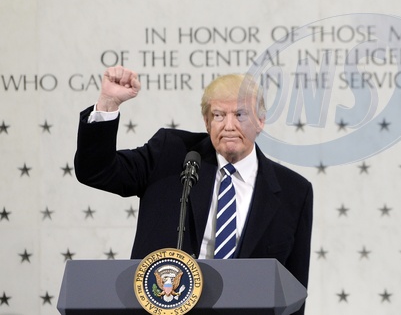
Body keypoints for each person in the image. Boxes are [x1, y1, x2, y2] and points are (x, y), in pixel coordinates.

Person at [74, 66, 313, 312]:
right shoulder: (170, 153)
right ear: (207, 122)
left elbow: (294, 291)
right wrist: (108, 103)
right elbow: (96, 171)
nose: (229, 125)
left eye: (240, 115)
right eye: (219, 115)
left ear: (260, 121)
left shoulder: (294, 192)